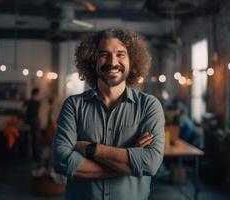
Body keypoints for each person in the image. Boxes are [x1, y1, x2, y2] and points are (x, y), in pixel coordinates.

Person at [53, 27, 165, 200]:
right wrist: (130, 160)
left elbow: (150, 164)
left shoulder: (149, 106)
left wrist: (90, 149)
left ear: (132, 61)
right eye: (104, 54)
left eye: (120, 54)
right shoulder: (73, 105)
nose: (113, 62)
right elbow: (62, 162)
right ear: (93, 61)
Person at [23, 88, 41, 161]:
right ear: (36, 94)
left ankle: (32, 155)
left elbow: (22, 111)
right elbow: (22, 111)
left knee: (33, 139)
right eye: (38, 94)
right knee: (34, 140)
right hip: (32, 122)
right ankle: (34, 156)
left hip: (32, 122)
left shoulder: (30, 102)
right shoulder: (34, 102)